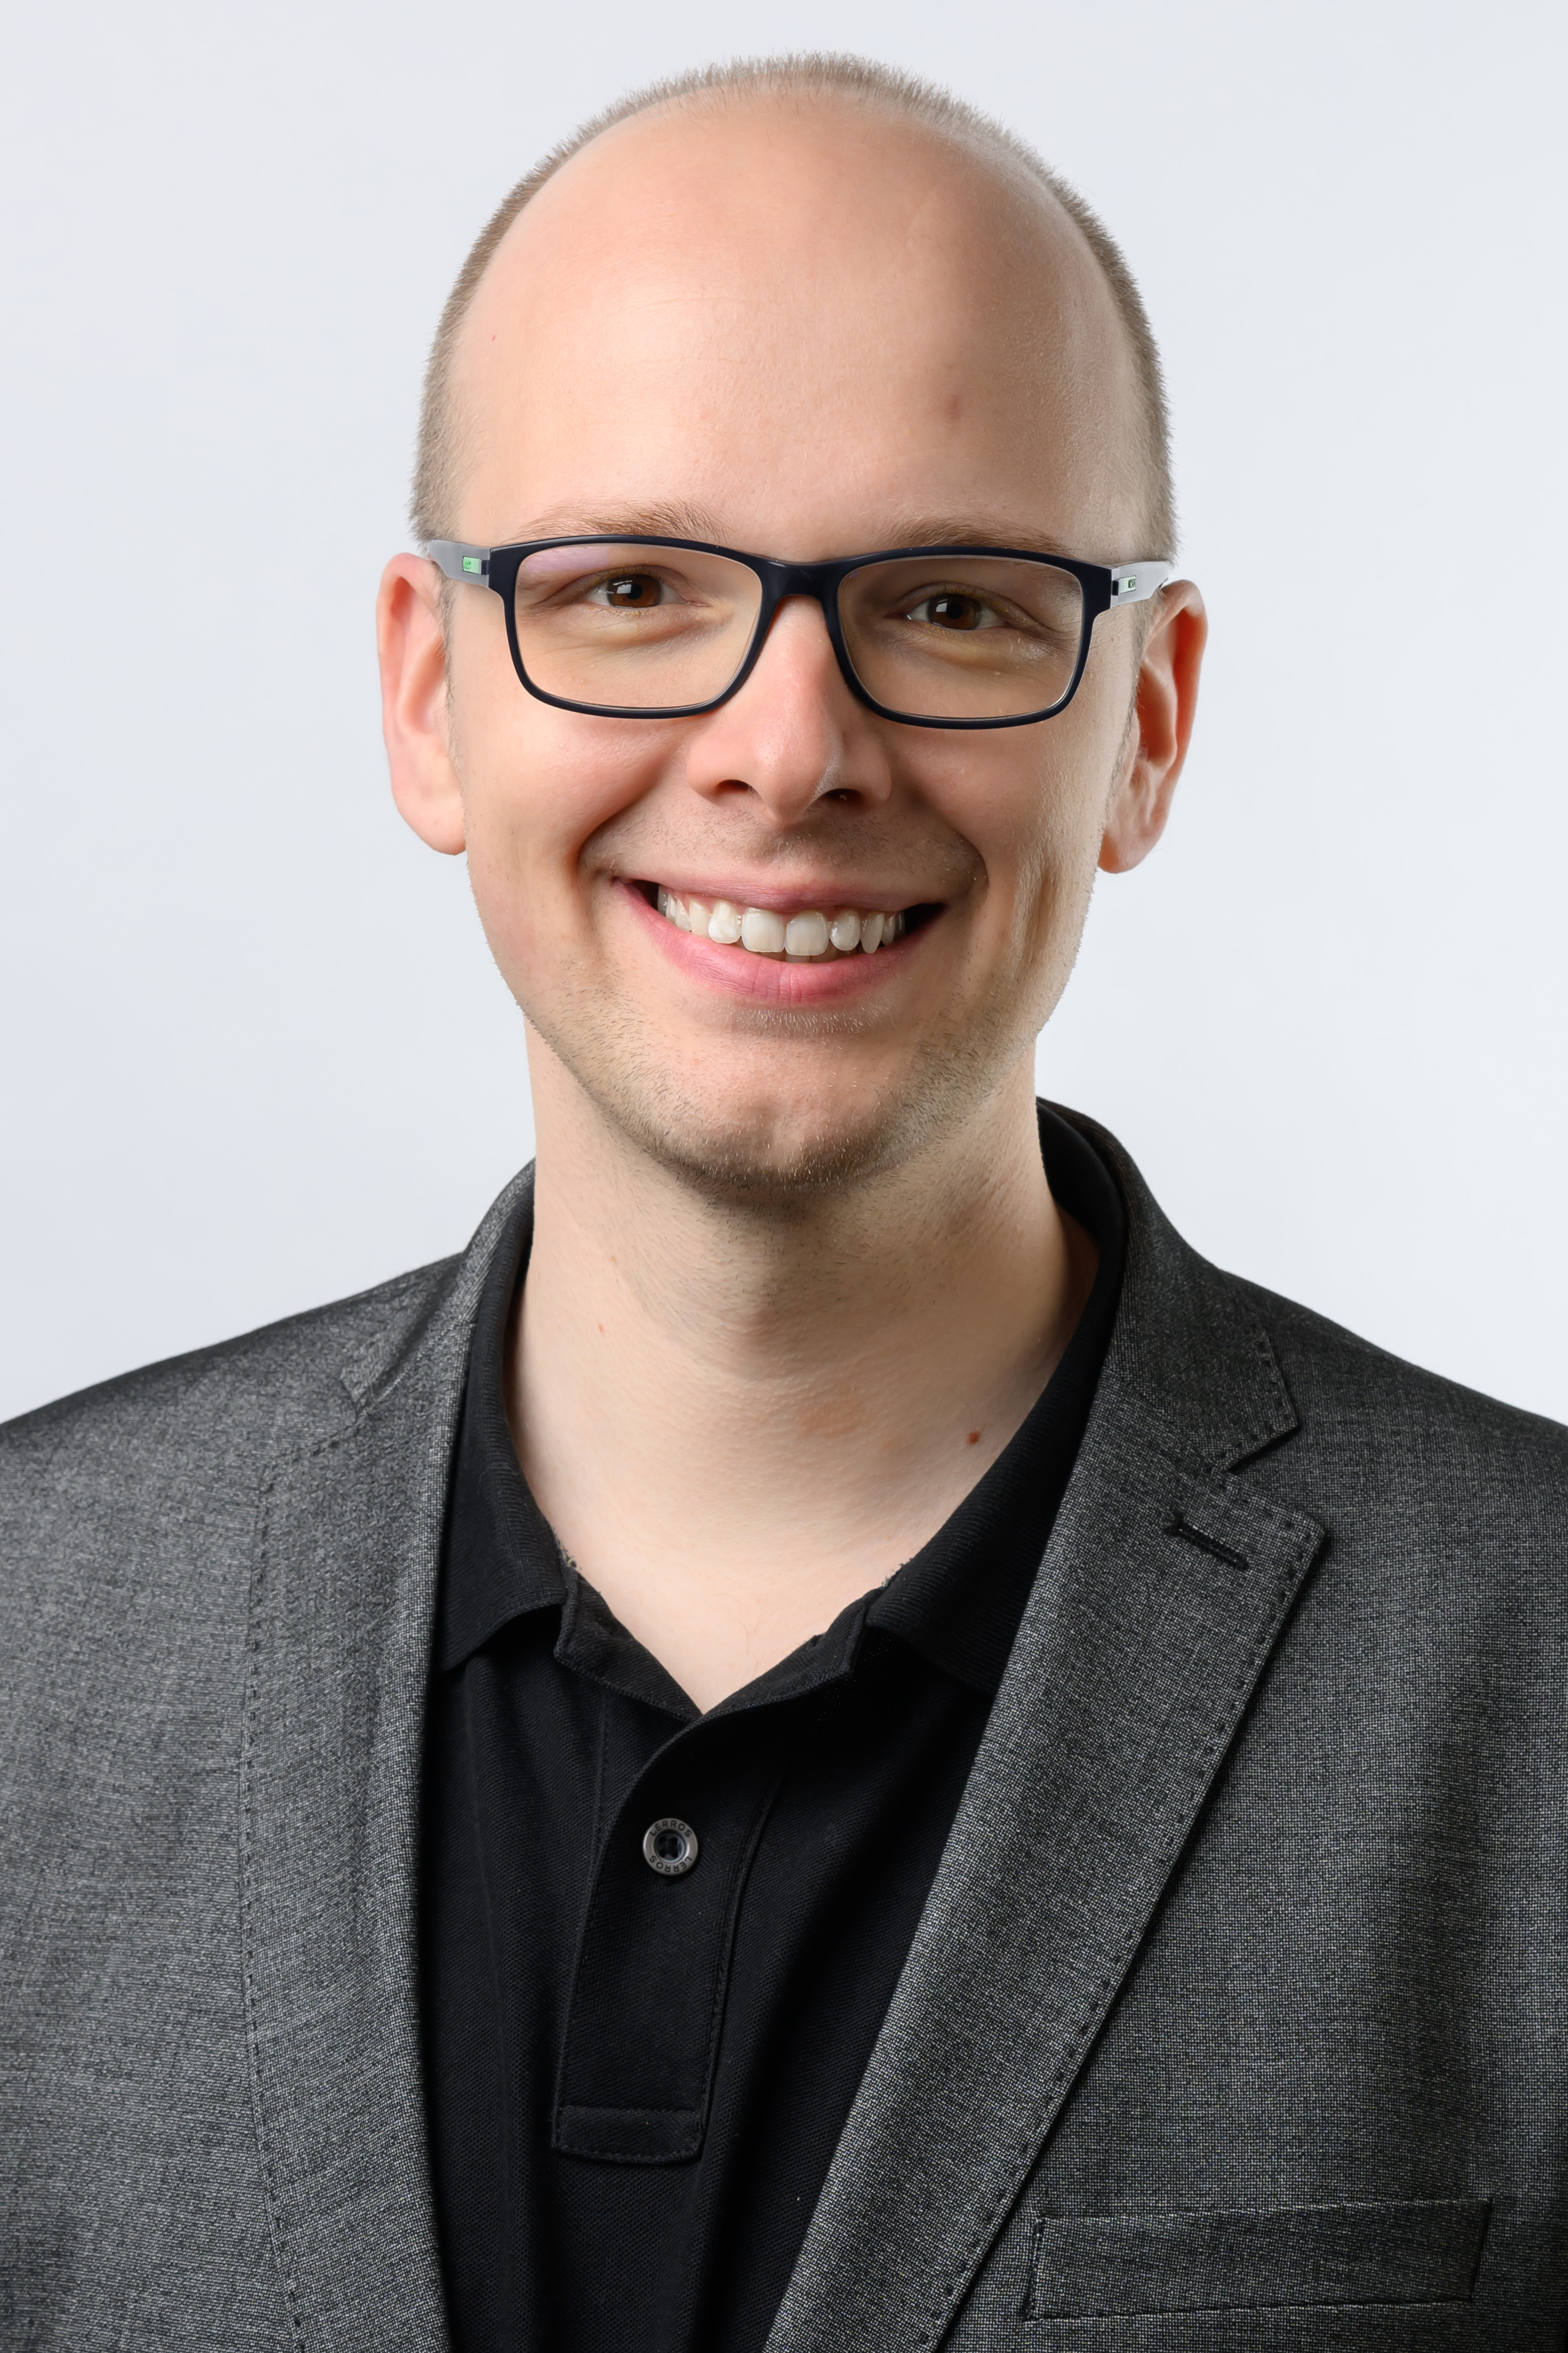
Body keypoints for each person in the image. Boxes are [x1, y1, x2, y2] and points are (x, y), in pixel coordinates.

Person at [3, 49, 1565, 2353]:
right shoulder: (30, 1631)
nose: (787, 747)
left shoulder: (1535, 1675)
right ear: (428, 697)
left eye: (951, 602)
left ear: (1144, 724)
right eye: (631, 585)